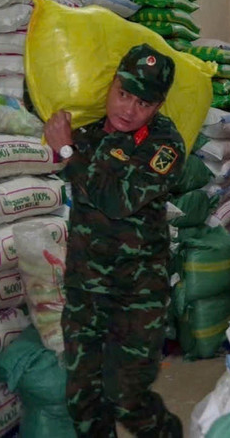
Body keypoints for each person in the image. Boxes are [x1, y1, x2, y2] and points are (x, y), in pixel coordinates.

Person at [44, 44, 184, 437]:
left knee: (126, 396)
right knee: (83, 401)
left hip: (136, 294)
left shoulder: (164, 146)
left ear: (157, 107)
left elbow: (116, 200)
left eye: (143, 102)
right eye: (123, 94)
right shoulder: (88, 135)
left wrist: (68, 152)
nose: (129, 109)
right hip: (86, 289)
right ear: (110, 86)